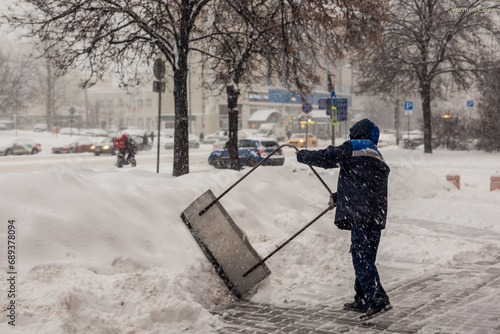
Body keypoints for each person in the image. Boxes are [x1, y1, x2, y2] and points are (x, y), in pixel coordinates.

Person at [296, 118, 391, 319]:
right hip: (374, 215)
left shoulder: (357, 146)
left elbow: (328, 157)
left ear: (358, 132)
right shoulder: (376, 154)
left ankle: (377, 298)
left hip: (362, 215)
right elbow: (364, 184)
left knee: (360, 255)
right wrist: (342, 197)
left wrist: (303, 155)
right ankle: (363, 299)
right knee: (366, 255)